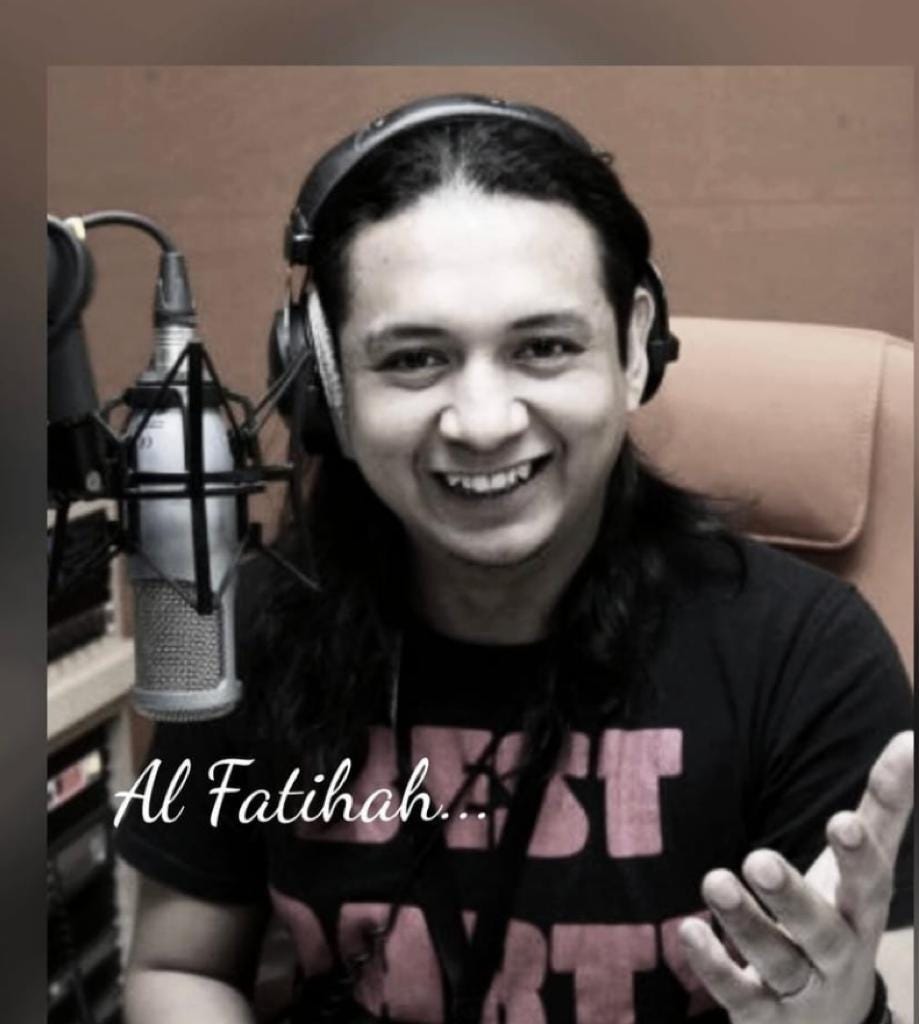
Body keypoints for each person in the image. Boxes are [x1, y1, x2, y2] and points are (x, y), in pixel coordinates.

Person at [114, 95, 914, 1024]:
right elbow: (179, 970)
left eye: (543, 347)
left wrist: (847, 1017)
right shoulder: (247, 625)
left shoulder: (807, 654)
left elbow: (870, 979)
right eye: (414, 359)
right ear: (325, 382)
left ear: (633, 348)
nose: (483, 423)